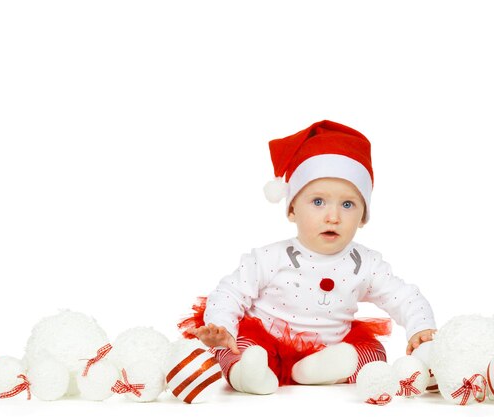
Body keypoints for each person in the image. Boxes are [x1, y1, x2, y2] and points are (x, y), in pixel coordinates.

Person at [179, 120, 436, 395]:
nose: (333, 216)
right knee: (234, 348)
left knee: (374, 353)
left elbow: (404, 297)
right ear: (292, 210)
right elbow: (231, 292)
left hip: (329, 348)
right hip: (266, 344)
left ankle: (320, 370)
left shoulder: (367, 265)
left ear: (363, 216)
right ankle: (248, 375)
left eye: (348, 204)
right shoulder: (270, 258)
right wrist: (222, 326)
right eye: (317, 202)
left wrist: (421, 327)